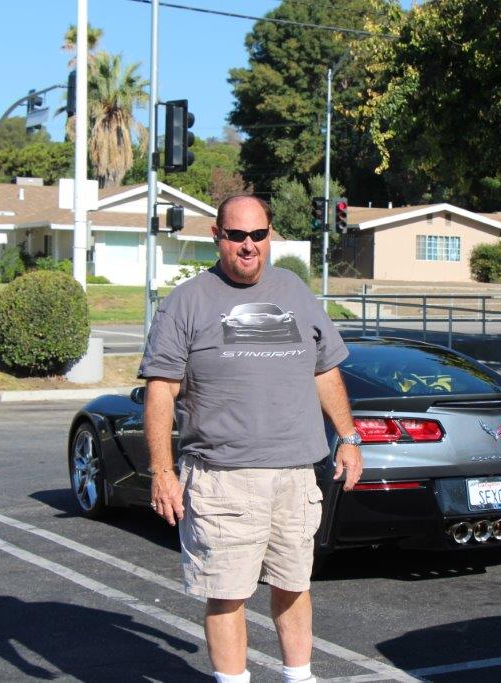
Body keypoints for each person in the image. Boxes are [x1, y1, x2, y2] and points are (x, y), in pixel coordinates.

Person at [138, 194, 363, 683]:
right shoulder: (187, 302)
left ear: (270, 235)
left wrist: (349, 437)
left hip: (295, 475)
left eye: (258, 235)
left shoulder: (295, 291)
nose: (248, 245)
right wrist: (162, 471)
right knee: (227, 592)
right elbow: (160, 390)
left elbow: (325, 370)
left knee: (294, 584)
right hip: (223, 479)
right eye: (237, 235)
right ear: (216, 235)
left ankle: (299, 677)